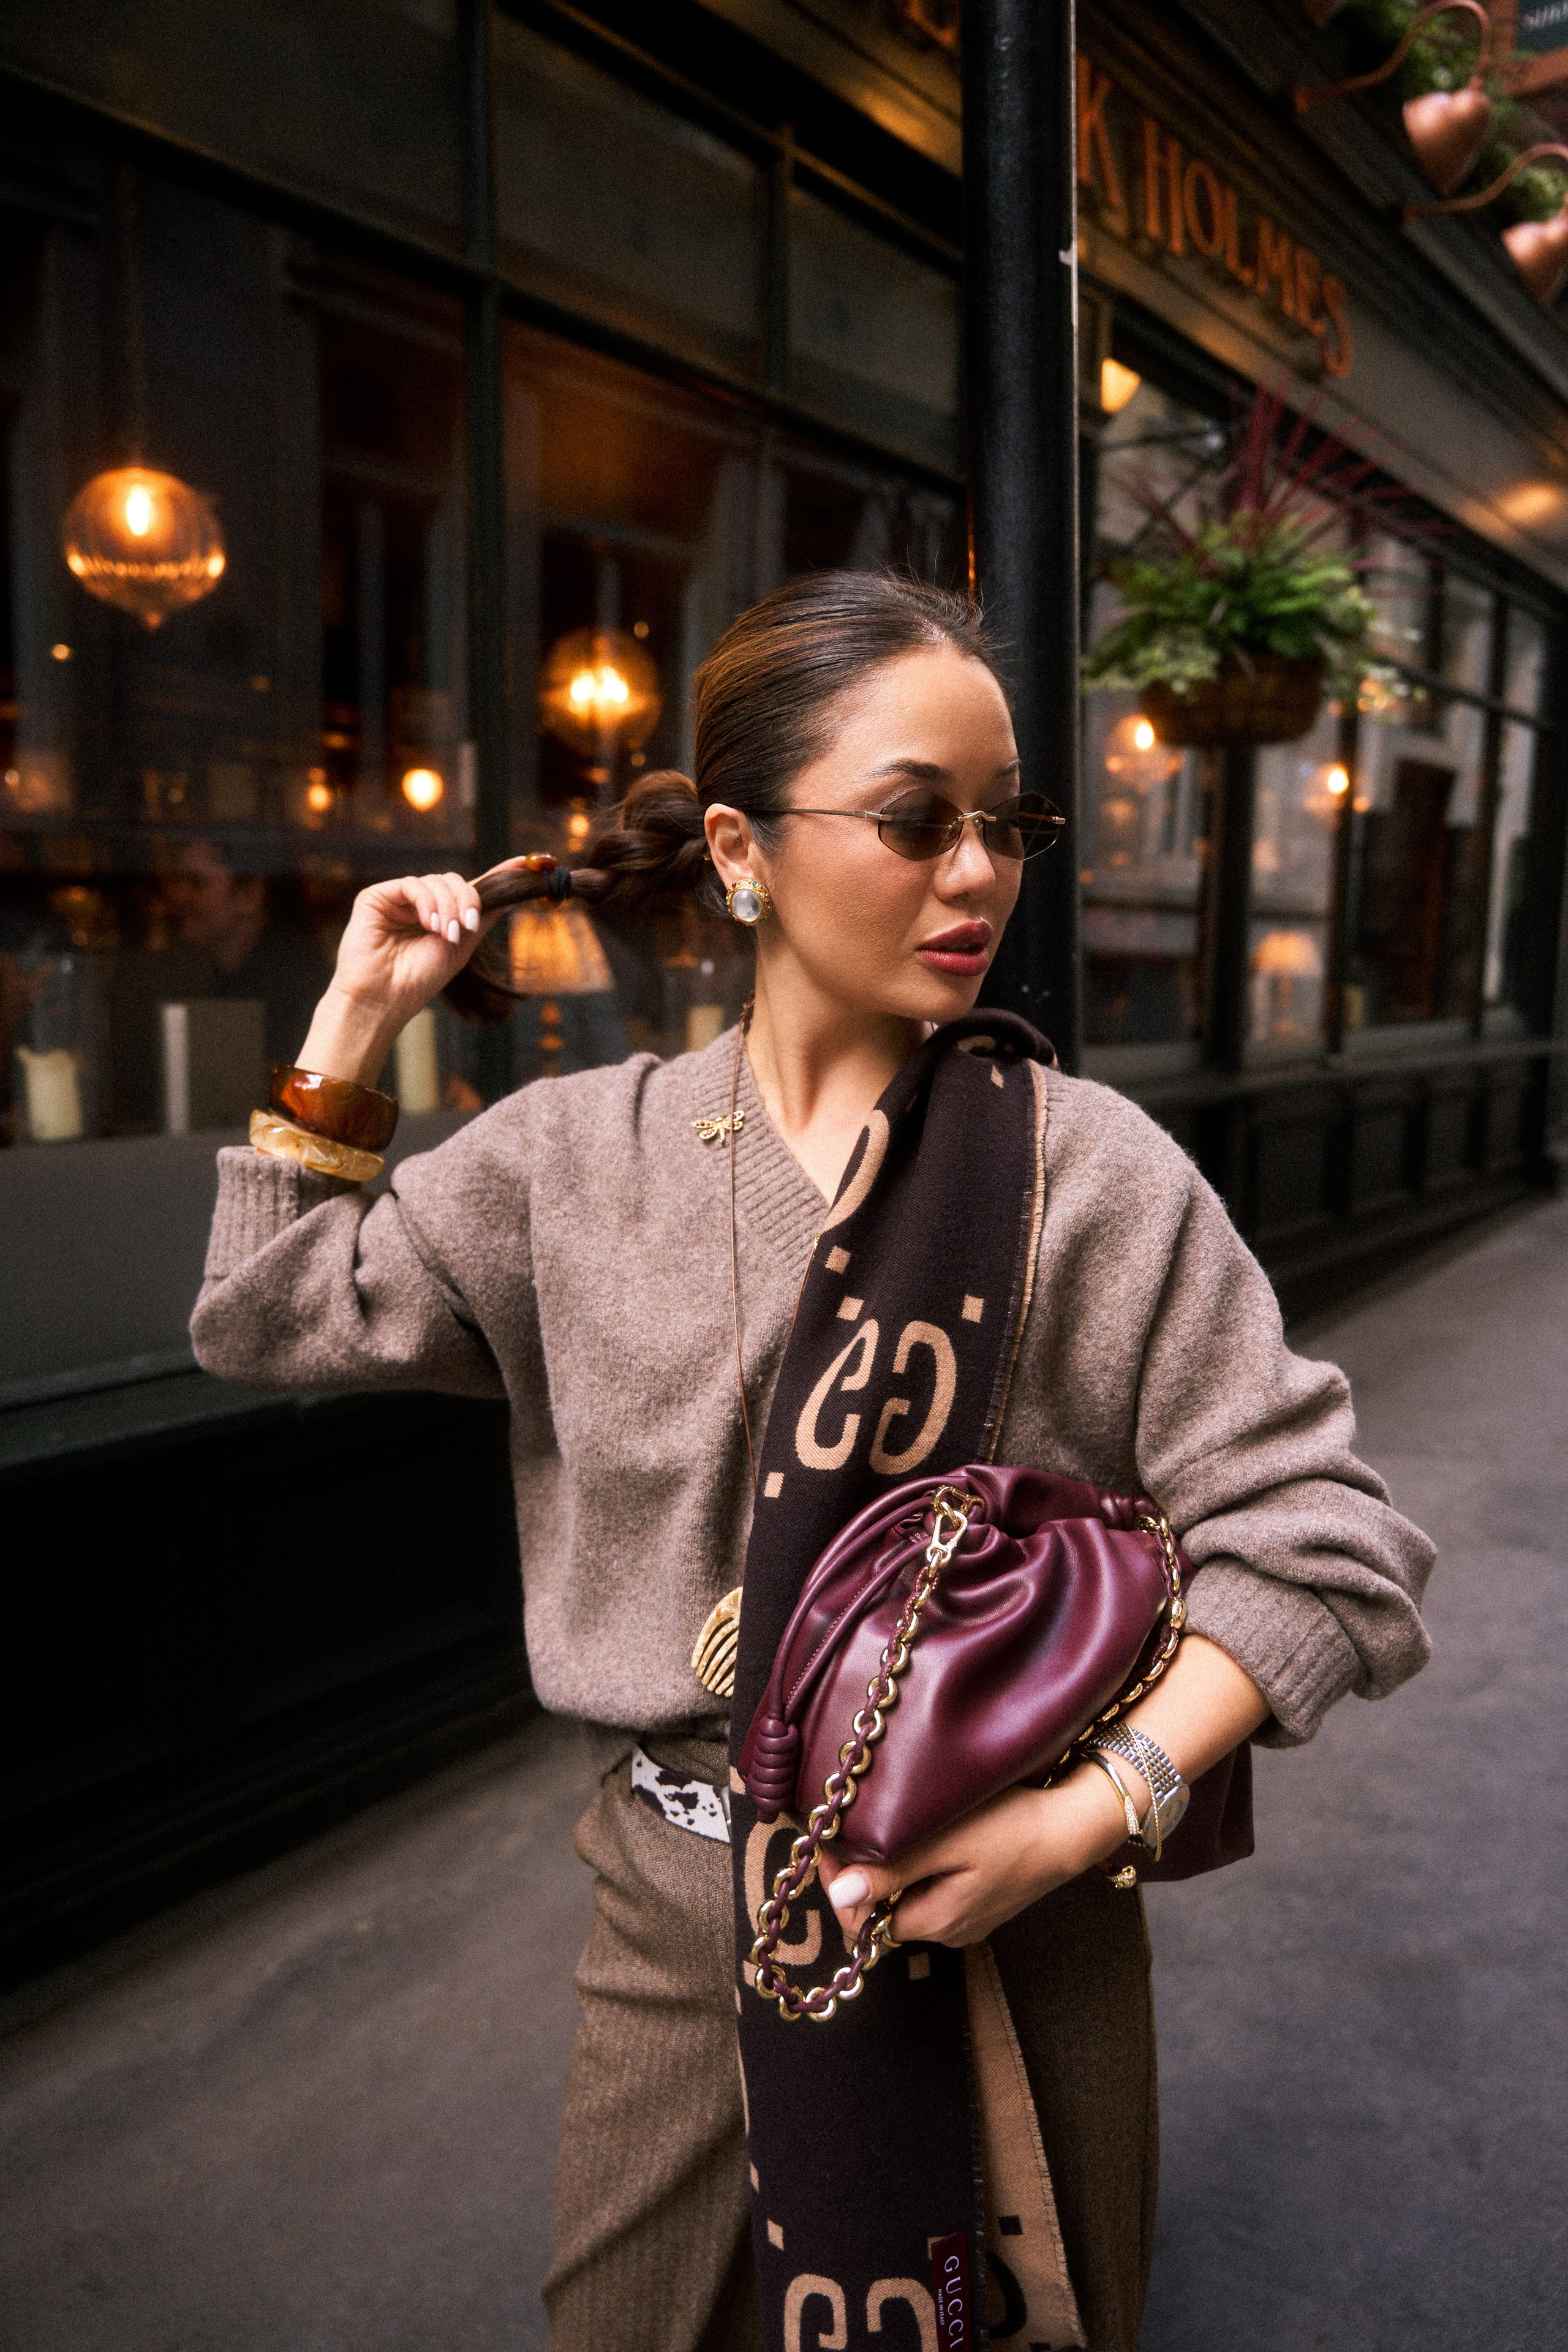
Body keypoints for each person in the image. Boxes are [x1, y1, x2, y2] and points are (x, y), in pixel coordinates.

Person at [190, 573, 1433, 2352]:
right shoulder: (573, 1160)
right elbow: (263, 1312)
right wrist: (349, 1024)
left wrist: (1084, 1818)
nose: (979, 874)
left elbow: (1326, 1545)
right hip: (673, 1911)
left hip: (1007, 1927)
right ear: (739, 848)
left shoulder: (1084, 1176)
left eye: (1007, 824)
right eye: (916, 819)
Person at [167, 839, 334, 1071]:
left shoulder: (294, 981)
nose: (179, 896)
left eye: (197, 884)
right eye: (180, 882)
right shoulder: (221, 974)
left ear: (250, 896)